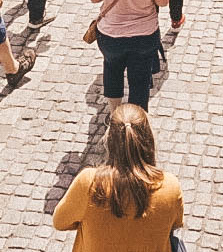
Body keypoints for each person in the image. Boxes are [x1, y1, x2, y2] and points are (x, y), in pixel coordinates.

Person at [52, 103, 184, 251]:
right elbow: (176, 223)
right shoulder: (170, 186)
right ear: (149, 140)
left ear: (110, 141)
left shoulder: (89, 183)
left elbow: (60, 222)